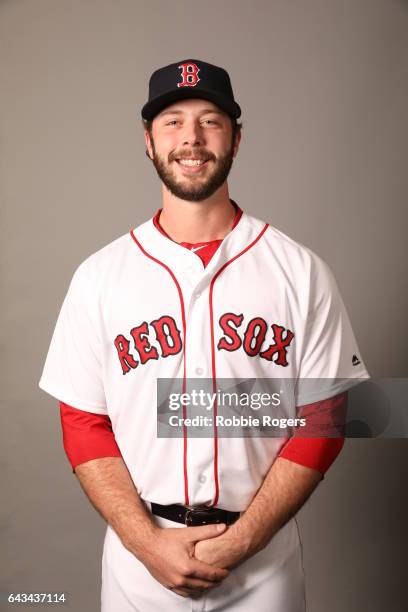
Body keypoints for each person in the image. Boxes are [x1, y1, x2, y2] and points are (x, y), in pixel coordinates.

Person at [39, 59, 369, 611]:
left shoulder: (301, 269)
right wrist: (147, 545)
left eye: (211, 120)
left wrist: (243, 539)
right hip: (140, 562)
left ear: (237, 138)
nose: (191, 138)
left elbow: (329, 418)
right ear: (148, 141)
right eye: (172, 121)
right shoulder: (99, 275)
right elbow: (83, 422)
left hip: (263, 562)